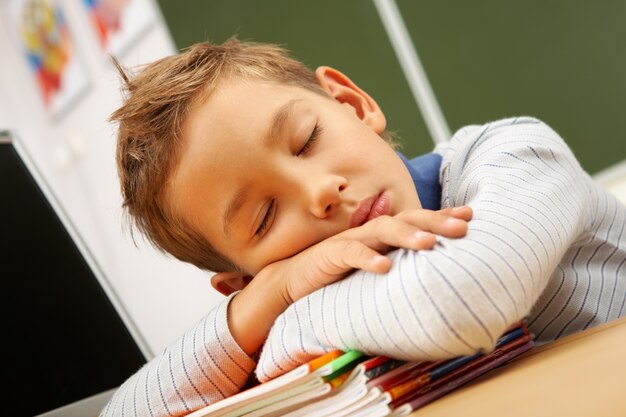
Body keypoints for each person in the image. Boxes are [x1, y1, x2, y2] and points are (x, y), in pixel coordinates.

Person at [101, 38, 625, 417]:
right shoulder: (299, 290)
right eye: (264, 217)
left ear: (352, 104)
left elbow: (462, 305)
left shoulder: (512, 153)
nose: (320, 192)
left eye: (306, 140)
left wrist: (283, 314)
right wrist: (264, 301)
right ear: (243, 282)